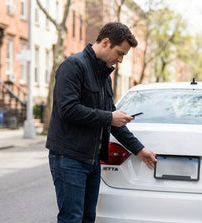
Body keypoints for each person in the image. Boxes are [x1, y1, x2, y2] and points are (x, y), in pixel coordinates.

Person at [45, 22, 157, 223]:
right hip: (69, 157)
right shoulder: (73, 65)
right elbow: (67, 109)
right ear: (105, 42)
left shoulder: (105, 76)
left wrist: (139, 149)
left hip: (92, 159)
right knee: (72, 218)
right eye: (120, 53)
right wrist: (109, 117)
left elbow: (112, 119)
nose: (121, 60)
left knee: (88, 218)